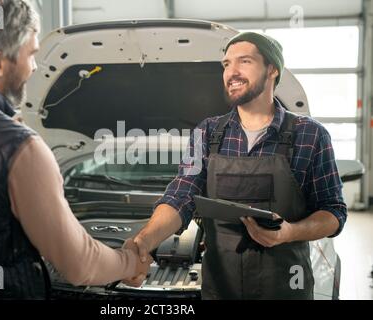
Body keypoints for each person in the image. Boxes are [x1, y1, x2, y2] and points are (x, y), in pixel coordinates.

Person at [0, 0, 151, 299]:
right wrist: (131, 262)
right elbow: (80, 265)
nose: (33, 67)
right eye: (30, 54)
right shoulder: (17, 146)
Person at [132, 32, 347, 299]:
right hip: (222, 288)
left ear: (272, 70)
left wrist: (291, 232)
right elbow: (181, 196)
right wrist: (143, 242)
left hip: (286, 285)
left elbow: (334, 212)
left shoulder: (310, 134)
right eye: (225, 64)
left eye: (244, 61)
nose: (231, 72)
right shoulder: (207, 132)